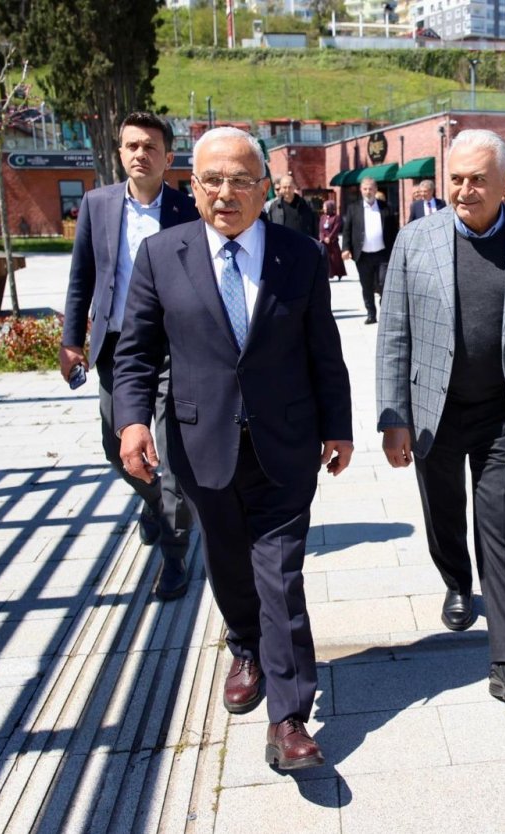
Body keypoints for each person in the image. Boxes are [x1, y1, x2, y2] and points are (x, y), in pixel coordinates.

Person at [115, 127, 354, 771]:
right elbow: (136, 353)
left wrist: (339, 426)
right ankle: (245, 645)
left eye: (241, 180)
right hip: (201, 442)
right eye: (213, 180)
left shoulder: (300, 255)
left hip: (285, 441)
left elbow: (323, 349)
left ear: (263, 188)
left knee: (281, 574)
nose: (226, 193)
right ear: (192, 187)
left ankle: (289, 717)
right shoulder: (161, 256)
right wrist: (132, 423)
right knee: (226, 561)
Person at [377, 129, 505, 703]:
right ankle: (457, 580)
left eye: (478, 179)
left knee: (501, 531)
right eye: (456, 178)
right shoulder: (415, 240)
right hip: (433, 409)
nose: (464, 190)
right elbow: (394, 332)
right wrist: (393, 416)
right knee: (443, 513)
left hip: (504, 415)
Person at [59, 111, 200, 601]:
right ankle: (156, 501)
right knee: (114, 445)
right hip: (117, 350)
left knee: (173, 456)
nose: (141, 154)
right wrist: (71, 341)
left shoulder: (187, 210)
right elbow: (82, 277)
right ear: (120, 152)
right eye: (132, 146)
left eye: (150, 147)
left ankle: (174, 556)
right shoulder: (97, 205)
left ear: (168, 157)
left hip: (173, 349)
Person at [342, 177, 398, 325]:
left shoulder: (386, 208)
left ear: (376, 189)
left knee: (384, 283)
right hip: (363, 255)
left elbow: (394, 230)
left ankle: (384, 310)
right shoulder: (353, 208)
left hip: (383, 254)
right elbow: (347, 230)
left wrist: (397, 249)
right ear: (361, 190)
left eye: (371, 189)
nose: (368, 192)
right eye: (365, 189)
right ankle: (371, 314)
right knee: (366, 286)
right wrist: (346, 248)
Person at [318, 199, 344, 280]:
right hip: (324, 241)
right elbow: (321, 229)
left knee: (335, 258)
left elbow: (336, 229)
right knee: (325, 258)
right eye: (324, 207)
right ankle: (329, 274)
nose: (324, 209)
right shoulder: (322, 217)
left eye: (325, 207)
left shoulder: (336, 217)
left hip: (333, 241)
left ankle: (339, 273)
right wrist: (322, 237)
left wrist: (329, 237)